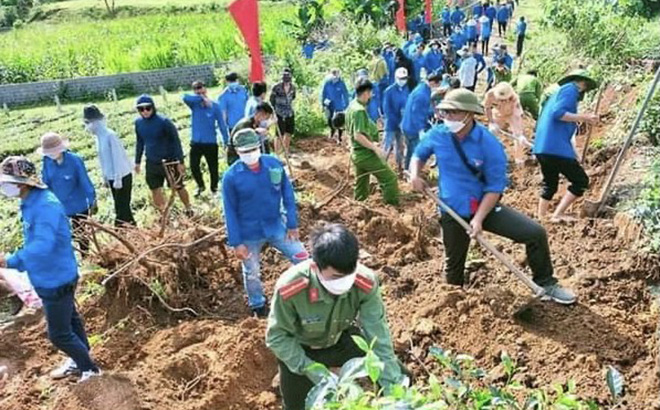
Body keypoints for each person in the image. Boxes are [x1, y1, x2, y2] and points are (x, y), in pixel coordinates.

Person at [409, 89, 577, 304]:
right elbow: (419, 155)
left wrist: (478, 219)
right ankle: (454, 304)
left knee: (535, 233)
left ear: (469, 115)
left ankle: (547, 283)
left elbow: (495, 187)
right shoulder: (438, 134)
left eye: (453, 113)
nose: (448, 118)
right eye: (445, 113)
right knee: (454, 263)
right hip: (451, 208)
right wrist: (415, 174)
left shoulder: (489, 144)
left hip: (484, 208)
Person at [266, 223, 409, 410]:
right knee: (296, 406)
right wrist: (316, 373)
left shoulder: (364, 281)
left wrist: (393, 390)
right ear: (316, 267)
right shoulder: (291, 287)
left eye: (349, 274)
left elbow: (377, 334)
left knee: (402, 379)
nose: (345, 283)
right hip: (302, 349)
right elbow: (276, 337)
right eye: (335, 277)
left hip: (341, 340)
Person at [0, 156, 102, 382]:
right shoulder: (31, 201)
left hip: (55, 278)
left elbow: (42, 246)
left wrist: (10, 261)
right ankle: (80, 359)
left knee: (59, 334)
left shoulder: (44, 205)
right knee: (71, 320)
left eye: (7, 182)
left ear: (23, 182)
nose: (3, 186)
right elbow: (36, 240)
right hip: (54, 273)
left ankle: (90, 370)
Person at [221, 129, 308, 318]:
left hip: (277, 226)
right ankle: (258, 305)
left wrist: (292, 224)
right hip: (248, 232)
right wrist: (236, 243)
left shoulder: (273, 165)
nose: (250, 154)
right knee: (251, 272)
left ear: (259, 146)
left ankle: (306, 292)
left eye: (253, 149)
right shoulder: (231, 177)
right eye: (245, 151)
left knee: (302, 257)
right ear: (237, 151)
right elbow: (229, 212)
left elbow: (288, 195)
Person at [534, 69, 599, 222]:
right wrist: (586, 117)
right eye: (586, 87)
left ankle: (542, 216)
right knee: (581, 181)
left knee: (550, 183)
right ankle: (558, 214)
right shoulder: (570, 89)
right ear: (583, 83)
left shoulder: (557, 94)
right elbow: (558, 113)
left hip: (543, 147)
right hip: (555, 148)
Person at [134, 94, 193, 216]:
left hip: (169, 161)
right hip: (151, 161)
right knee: (155, 188)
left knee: (178, 186)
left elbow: (176, 141)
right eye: (141, 109)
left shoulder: (164, 122)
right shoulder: (139, 123)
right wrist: (137, 161)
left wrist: (180, 162)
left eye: (147, 108)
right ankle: (164, 214)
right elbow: (140, 142)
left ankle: (188, 209)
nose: (145, 111)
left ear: (153, 107)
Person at [39, 132, 96, 254]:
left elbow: (84, 181)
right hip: (60, 205)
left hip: (78, 204)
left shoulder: (74, 160)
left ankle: (85, 256)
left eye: (53, 151)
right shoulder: (47, 162)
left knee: (81, 233)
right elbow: (45, 182)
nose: (51, 155)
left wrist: (92, 200)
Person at [346, 78, 399, 205]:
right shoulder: (359, 110)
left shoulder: (351, 106)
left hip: (357, 153)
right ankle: (392, 208)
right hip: (365, 154)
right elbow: (358, 135)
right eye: (370, 93)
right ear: (365, 93)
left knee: (362, 185)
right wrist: (375, 148)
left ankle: (358, 208)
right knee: (390, 178)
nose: (371, 96)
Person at [83, 105, 135, 226]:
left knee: (122, 209)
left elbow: (118, 158)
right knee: (122, 208)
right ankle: (133, 230)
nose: (88, 126)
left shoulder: (110, 135)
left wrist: (117, 179)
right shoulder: (98, 138)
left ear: (96, 121)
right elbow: (103, 160)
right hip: (112, 177)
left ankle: (121, 231)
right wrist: (106, 178)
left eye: (89, 122)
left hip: (122, 176)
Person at [183, 81, 226, 198]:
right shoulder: (194, 105)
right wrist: (200, 98)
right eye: (196, 89)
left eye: (201, 88)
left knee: (213, 167)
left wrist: (226, 141)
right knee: (194, 165)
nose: (199, 90)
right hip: (196, 142)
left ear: (205, 88)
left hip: (210, 142)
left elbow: (222, 125)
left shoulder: (215, 106)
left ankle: (214, 188)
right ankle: (200, 185)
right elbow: (184, 97)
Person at [483, 82, 530, 166]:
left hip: (511, 114)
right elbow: (487, 108)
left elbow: (517, 115)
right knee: (492, 133)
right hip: (498, 113)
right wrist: (491, 122)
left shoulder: (515, 98)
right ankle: (490, 155)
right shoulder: (490, 94)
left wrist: (519, 134)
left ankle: (518, 158)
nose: (503, 101)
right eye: (500, 99)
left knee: (518, 137)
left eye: (504, 99)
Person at [402, 73, 443, 169]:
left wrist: (433, 113)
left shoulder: (423, 89)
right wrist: (420, 130)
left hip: (408, 124)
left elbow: (425, 108)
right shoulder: (422, 94)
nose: (437, 88)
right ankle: (411, 172)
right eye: (437, 85)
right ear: (433, 83)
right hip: (413, 128)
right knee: (415, 152)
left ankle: (407, 169)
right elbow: (417, 113)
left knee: (410, 150)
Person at [382, 68, 411, 173]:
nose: (403, 80)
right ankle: (381, 168)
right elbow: (387, 110)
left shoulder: (406, 90)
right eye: (401, 78)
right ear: (396, 78)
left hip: (402, 123)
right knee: (387, 145)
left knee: (400, 147)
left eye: (404, 78)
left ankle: (399, 167)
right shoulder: (389, 91)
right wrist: (397, 121)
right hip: (391, 124)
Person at [270, 69, 297, 154]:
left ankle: (286, 150)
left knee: (288, 132)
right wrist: (273, 111)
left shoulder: (293, 88)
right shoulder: (276, 87)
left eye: (288, 80)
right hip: (279, 113)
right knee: (279, 134)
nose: (286, 83)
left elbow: (293, 97)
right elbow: (272, 100)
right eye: (285, 80)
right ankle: (277, 153)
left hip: (289, 112)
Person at [218, 72, 249, 145]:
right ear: (227, 82)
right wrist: (224, 127)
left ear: (237, 80)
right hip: (233, 126)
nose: (233, 83)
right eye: (231, 81)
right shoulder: (223, 96)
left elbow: (248, 104)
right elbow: (223, 113)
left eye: (234, 81)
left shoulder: (243, 90)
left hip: (245, 123)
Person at [320, 68, 350, 142]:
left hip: (339, 103)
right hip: (329, 103)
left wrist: (346, 104)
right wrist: (323, 104)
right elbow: (324, 93)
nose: (335, 76)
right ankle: (332, 131)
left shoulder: (341, 83)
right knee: (329, 118)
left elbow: (345, 93)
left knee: (340, 119)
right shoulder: (327, 82)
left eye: (336, 74)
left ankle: (339, 136)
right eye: (333, 74)